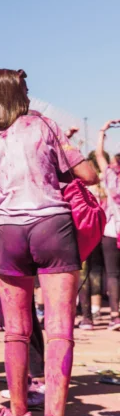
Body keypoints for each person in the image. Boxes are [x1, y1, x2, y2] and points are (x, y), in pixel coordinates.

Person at [0, 69, 98, 416]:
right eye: (24, 89)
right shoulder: (44, 126)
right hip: (52, 227)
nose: (28, 94)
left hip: (8, 234)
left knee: (16, 332)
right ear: (16, 94)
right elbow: (88, 175)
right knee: (59, 330)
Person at [95, 119, 120, 331]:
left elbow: (98, 155)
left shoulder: (110, 175)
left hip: (112, 230)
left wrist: (103, 131)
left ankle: (114, 316)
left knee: (112, 274)